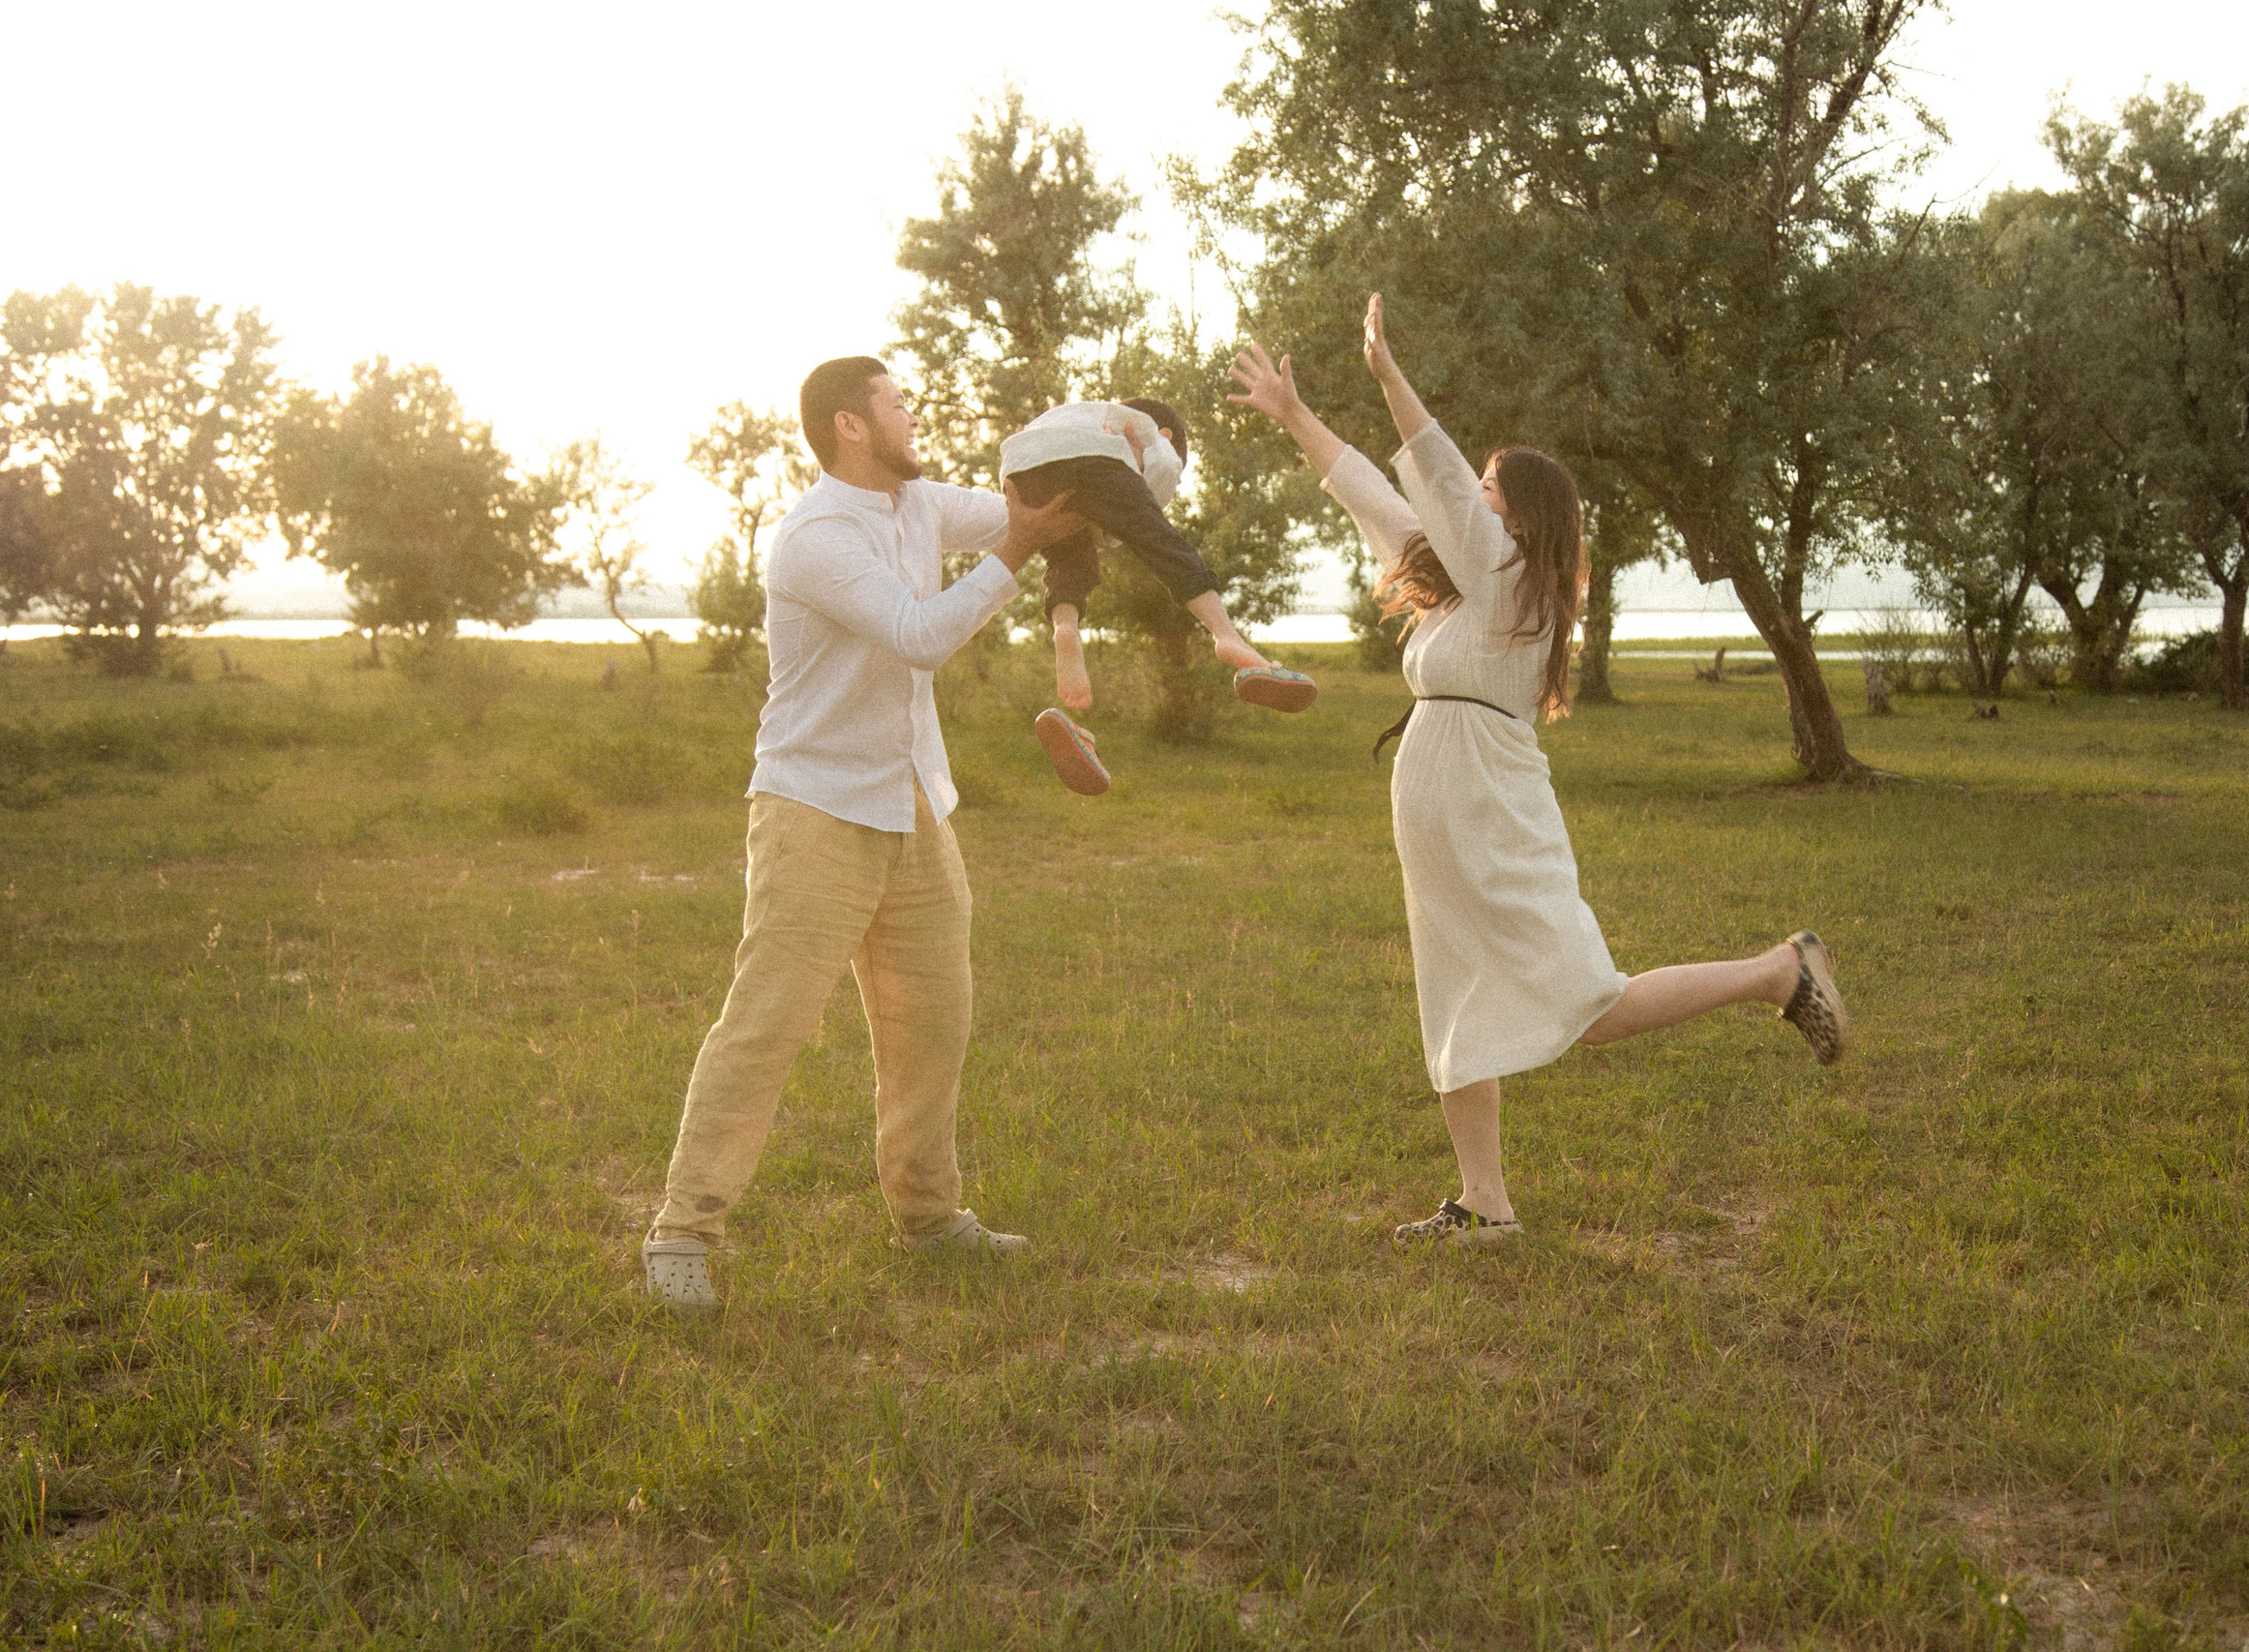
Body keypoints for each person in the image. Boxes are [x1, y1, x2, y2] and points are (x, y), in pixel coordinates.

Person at [1226, 298, 1849, 1248]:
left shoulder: (1520, 585)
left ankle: (1778, 971)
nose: (1468, 494)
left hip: (1495, 821)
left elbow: (1426, 473)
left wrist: (1390, 378)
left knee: (1588, 1006)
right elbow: (1374, 495)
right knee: (1453, 998)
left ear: (1522, 513)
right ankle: (1484, 1205)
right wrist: (1292, 413)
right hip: (1445, 829)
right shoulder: (1463, 587)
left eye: (1484, 485)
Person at [640, 355, 1090, 1310]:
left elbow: (1022, 506)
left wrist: (1109, 444)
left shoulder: (918, 505)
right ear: (851, 424)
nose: (911, 412)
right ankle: (683, 1229)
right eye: (895, 402)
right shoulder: (813, 536)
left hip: (913, 805)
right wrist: (1015, 557)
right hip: (814, 809)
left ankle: (930, 1221)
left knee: (933, 1024)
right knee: (766, 1023)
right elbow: (918, 632)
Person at [997, 397, 1317, 795]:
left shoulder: (1079, 415)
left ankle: (1065, 625)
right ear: (1165, 435)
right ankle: (1226, 636)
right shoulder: (1148, 432)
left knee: (1069, 552)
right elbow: (1147, 507)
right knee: (1167, 547)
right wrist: (1138, 503)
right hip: (1088, 463)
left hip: (1019, 466)